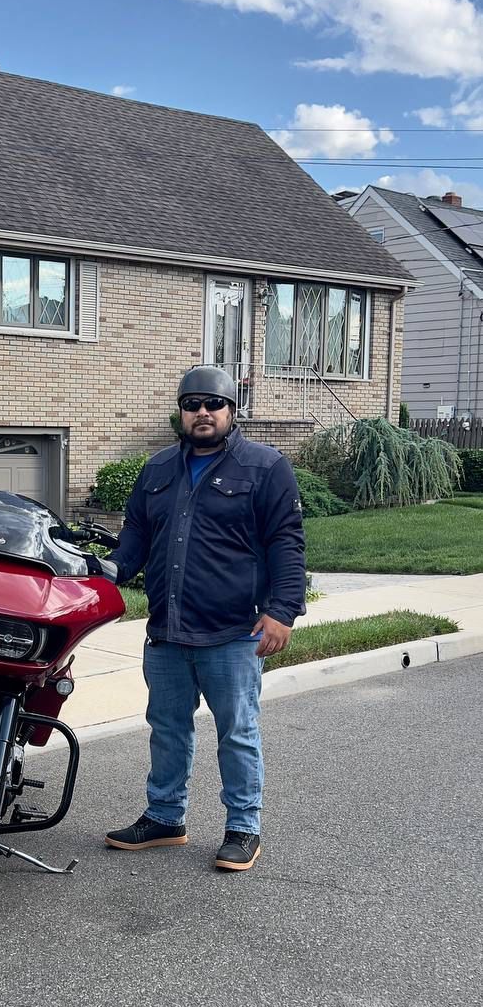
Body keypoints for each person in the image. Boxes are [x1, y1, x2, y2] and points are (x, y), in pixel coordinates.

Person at [104, 365, 306, 870]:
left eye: (212, 404)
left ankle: (244, 828)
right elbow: (136, 538)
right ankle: (165, 817)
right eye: (192, 404)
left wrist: (282, 610)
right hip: (168, 630)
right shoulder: (157, 470)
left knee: (237, 731)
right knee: (167, 728)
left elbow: (286, 542)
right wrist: (105, 571)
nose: (202, 412)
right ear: (181, 411)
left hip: (232, 632)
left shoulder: (265, 467)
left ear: (231, 410)